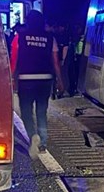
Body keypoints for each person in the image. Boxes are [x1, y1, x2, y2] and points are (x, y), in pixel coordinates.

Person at [10, 10, 64, 156]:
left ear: (28, 21)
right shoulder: (50, 38)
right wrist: (60, 80)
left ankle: (33, 135)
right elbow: (55, 62)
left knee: (26, 110)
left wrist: (12, 78)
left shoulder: (19, 37)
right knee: (41, 111)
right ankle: (43, 142)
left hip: (26, 79)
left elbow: (14, 60)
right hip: (45, 79)